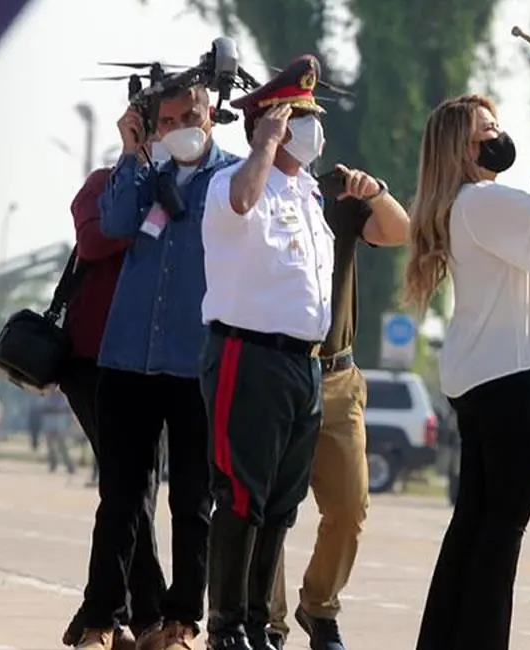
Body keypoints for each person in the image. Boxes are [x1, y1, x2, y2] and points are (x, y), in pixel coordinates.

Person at [402, 92, 530, 650]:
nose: (495, 135)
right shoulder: (480, 202)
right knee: (503, 524)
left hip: (483, 376)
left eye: (495, 124)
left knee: (476, 521)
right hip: (504, 381)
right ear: (461, 151)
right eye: (483, 130)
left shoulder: (473, 203)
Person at [75, 81, 238, 650]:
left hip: (196, 364)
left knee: (193, 499)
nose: (179, 126)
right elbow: (113, 224)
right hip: (126, 360)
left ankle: (180, 619)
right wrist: (131, 150)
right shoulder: (143, 174)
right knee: (120, 497)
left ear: (212, 113)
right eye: (166, 119)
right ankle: (101, 617)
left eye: (189, 114)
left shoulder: (234, 179)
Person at [200, 54, 346, 650]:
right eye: (298, 114)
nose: (311, 125)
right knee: (239, 498)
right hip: (249, 356)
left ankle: (259, 623)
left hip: (304, 365)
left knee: (282, 505)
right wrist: (264, 144)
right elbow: (241, 202)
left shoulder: (309, 193)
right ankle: (227, 626)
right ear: (270, 123)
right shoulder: (233, 181)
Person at [265, 132, 411, 650]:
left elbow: (399, 231)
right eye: (290, 120)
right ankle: (269, 621)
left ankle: (318, 605)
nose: (303, 132)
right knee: (271, 511)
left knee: (349, 507)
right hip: (276, 372)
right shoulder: (251, 193)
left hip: (337, 378)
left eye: (309, 119)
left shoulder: (334, 198)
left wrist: (374, 192)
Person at [59, 160, 165, 650]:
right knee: (131, 485)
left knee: (136, 487)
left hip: (149, 361)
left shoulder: (176, 191)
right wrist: (144, 221)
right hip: (91, 359)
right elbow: (94, 241)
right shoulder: (100, 186)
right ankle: (141, 615)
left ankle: (106, 613)